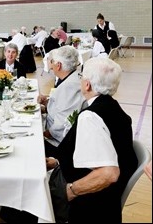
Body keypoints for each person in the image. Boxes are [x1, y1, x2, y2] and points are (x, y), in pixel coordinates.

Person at [46, 57, 137, 223]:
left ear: (87, 85)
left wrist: (71, 190)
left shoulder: (91, 117)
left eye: (81, 77)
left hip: (91, 205)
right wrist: (57, 161)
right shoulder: (114, 108)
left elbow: (108, 174)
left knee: (24, 200)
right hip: (107, 201)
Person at [37, 46, 86, 157]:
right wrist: (47, 104)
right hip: (59, 135)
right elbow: (63, 106)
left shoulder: (70, 86)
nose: (51, 66)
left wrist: (43, 134)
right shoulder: (73, 77)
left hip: (59, 145)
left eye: (52, 62)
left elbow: (63, 123)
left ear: (58, 65)